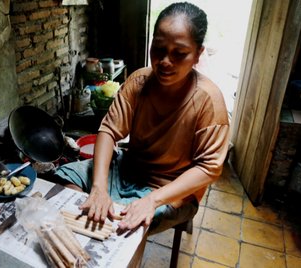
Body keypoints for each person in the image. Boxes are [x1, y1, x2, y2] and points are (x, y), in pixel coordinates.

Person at [54, 2, 230, 235]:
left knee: (121, 226)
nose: (165, 61)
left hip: (171, 189)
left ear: (198, 54)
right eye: (158, 48)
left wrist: (153, 200)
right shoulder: (138, 82)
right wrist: (98, 188)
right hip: (128, 168)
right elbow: (108, 130)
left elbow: (209, 168)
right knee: (67, 187)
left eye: (179, 53)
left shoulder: (209, 101)